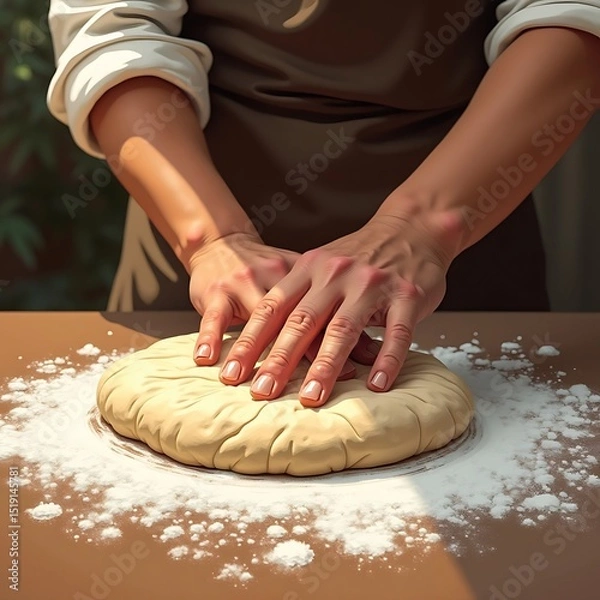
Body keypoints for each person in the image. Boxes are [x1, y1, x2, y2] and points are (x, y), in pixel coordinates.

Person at [47, 0, 600, 408]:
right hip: (198, 269)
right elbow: (115, 37)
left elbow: (570, 15)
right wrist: (212, 239)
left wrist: (422, 229)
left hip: (461, 251)